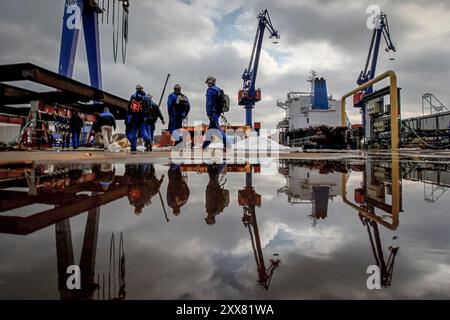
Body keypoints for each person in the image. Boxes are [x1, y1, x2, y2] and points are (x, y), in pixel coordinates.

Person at [202, 76, 228, 150]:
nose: (207, 84)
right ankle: (204, 146)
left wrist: (209, 114)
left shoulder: (210, 90)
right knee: (210, 130)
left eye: (207, 82)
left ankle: (227, 144)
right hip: (218, 112)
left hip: (213, 113)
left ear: (209, 82)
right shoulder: (219, 90)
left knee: (217, 128)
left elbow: (209, 103)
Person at [127, 84, 152, 152]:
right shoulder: (146, 97)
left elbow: (129, 107)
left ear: (136, 89)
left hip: (134, 117)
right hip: (143, 117)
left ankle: (133, 146)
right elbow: (149, 107)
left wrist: (130, 116)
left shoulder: (133, 96)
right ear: (142, 89)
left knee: (133, 132)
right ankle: (148, 140)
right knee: (143, 130)